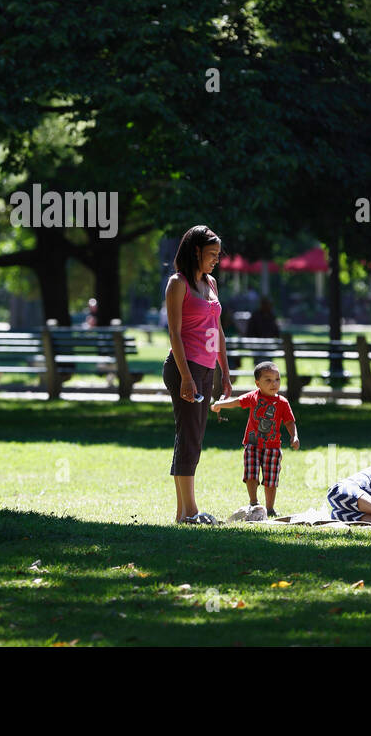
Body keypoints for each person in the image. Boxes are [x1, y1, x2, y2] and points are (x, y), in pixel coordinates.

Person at [164, 224, 231, 525]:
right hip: (184, 368)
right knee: (189, 436)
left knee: (194, 436)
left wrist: (224, 372)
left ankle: (183, 513)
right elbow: (174, 334)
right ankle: (190, 511)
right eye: (212, 254)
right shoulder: (178, 284)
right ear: (195, 251)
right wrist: (186, 377)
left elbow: (217, 331)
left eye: (218, 254)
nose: (216, 259)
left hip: (205, 368)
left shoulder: (211, 283)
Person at [211, 361, 299, 517]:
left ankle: (270, 508)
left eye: (277, 379)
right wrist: (220, 404)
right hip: (252, 444)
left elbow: (289, 421)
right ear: (258, 383)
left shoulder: (282, 403)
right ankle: (254, 503)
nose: (274, 383)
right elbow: (237, 402)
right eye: (268, 380)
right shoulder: (253, 397)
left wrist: (294, 436)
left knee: (271, 479)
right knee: (251, 474)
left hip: (272, 447)